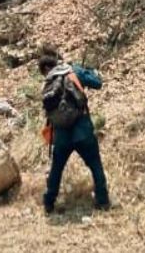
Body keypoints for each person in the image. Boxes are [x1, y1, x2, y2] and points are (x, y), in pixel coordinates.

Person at [39, 53, 109, 214]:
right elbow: (97, 83)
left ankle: (49, 203)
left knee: (56, 169)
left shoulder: (49, 82)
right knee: (95, 165)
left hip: (61, 135)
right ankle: (103, 201)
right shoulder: (73, 71)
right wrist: (89, 71)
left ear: (46, 69)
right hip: (83, 131)